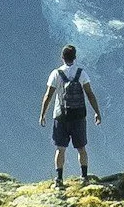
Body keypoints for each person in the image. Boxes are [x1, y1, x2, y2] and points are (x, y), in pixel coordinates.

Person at [38, 44, 101, 186]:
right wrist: (97, 112)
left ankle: (59, 179)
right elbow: (90, 94)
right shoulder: (81, 73)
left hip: (60, 117)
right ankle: (84, 177)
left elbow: (48, 95)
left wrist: (42, 114)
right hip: (78, 117)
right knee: (81, 148)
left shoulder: (56, 74)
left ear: (62, 57)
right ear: (75, 57)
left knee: (60, 149)